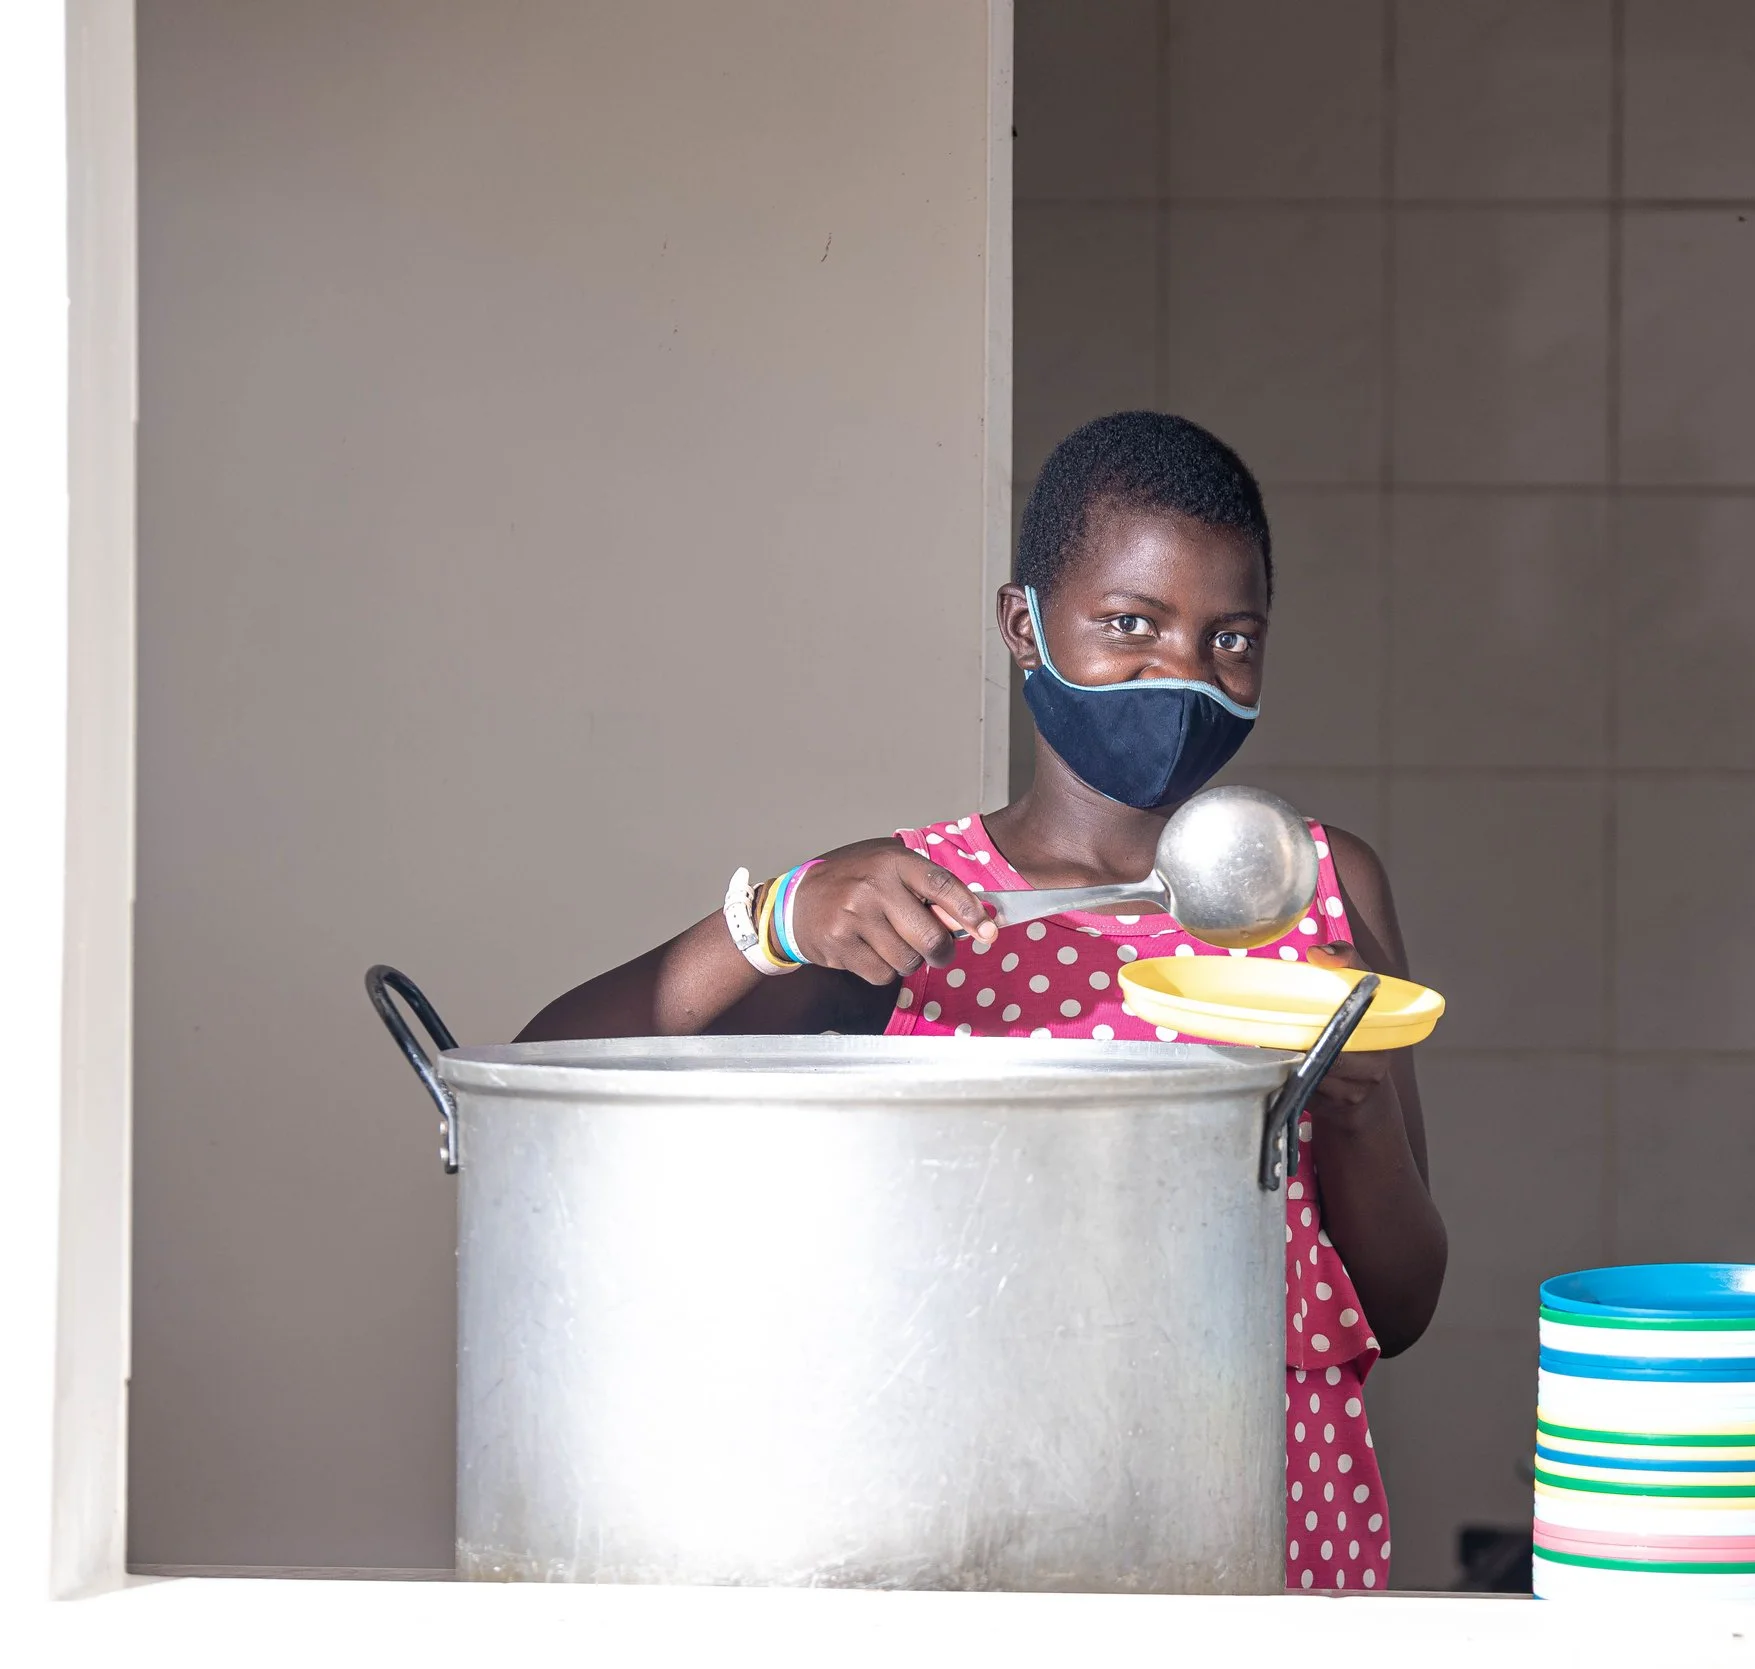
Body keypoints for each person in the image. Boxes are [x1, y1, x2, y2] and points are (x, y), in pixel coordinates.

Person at [519, 410, 1446, 1593]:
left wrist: (1353, 1102)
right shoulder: (907, 908)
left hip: (1274, 1498)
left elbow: (1404, 1303)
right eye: (1130, 625)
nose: (1184, 674)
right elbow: (547, 1070)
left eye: (1231, 639)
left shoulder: (1319, 888)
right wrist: (765, 922)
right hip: (979, 1506)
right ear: (1024, 626)